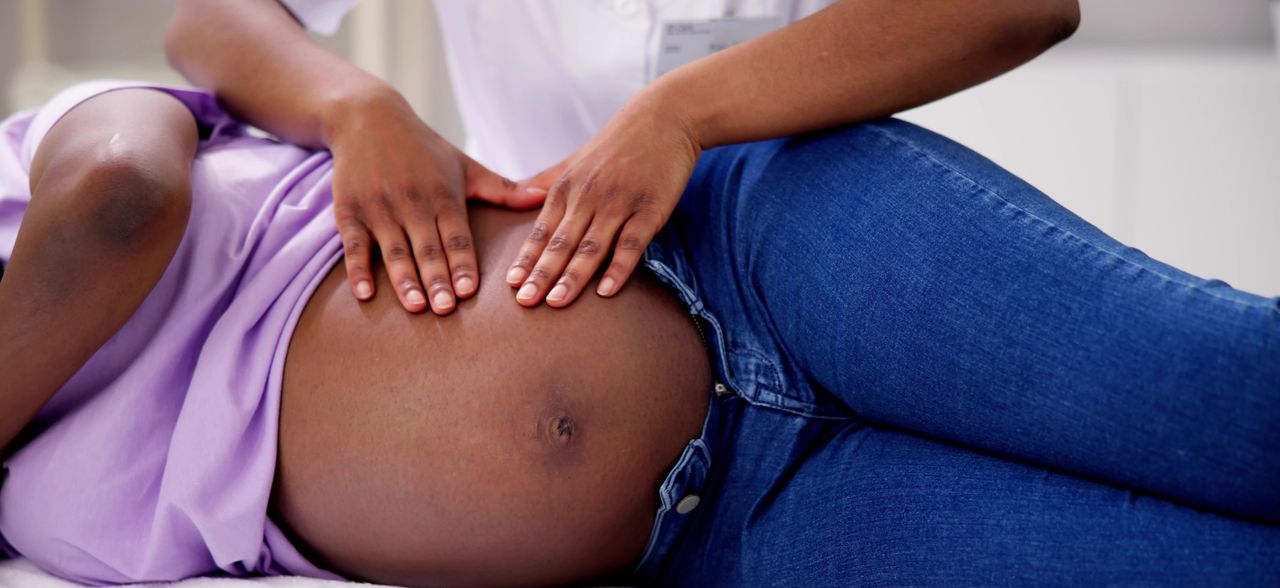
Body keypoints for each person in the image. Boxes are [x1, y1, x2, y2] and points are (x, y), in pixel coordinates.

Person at [0, 79, 1277, 588]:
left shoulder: (45, 159)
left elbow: (123, 207)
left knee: (1228, 403)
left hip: (755, 258)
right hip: (744, 531)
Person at [164, 0, 1082, 315]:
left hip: (807, 252)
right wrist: (351, 106)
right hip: (552, 272)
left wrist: (682, 115)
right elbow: (206, 18)